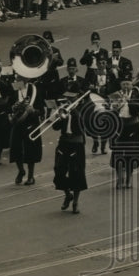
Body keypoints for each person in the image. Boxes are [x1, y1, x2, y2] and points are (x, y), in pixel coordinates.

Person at [53, 58, 88, 213]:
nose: (67, 99)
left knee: (77, 173)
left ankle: (76, 202)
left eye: (70, 97)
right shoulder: (64, 107)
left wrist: (73, 111)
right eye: (67, 97)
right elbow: (55, 127)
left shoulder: (83, 109)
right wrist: (59, 117)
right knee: (59, 171)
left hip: (77, 143)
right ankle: (68, 195)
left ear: (76, 97)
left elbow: (83, 127)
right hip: (64, 141)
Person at [110, 68, 139, 189]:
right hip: (120, 126)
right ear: (120, 85)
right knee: (118, 155)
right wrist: (115, 105)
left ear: (132, 84)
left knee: (131, 155)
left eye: (128, 84)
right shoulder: (116, 95)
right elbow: (111, 109)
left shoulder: (136, 94)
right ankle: (120, 179)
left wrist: (129, 101)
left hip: (132, 127)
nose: (126, 86)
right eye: (123, 84)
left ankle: (129, 179)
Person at [9, 69, 44, 186]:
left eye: (19, 76)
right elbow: (9, 105)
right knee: (15, 148)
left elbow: (41, 111)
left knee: (31, 150)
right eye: (17, 76)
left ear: (26, 78)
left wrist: (33, 111)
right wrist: (13, 107)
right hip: (18, 122)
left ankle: (31, 176)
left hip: (31, 123)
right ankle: (21, 171)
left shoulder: (34, 90)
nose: (17, 78)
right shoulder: (15, 88)